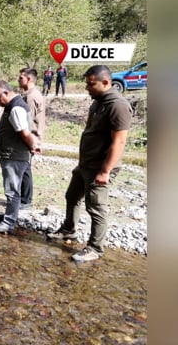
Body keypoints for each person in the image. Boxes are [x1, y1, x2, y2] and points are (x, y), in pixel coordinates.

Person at [47, 65, 132, 262]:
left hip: (100, 167)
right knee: (72, 196)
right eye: (86, 83)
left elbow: (119, 141)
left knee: (96, 207)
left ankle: (95, 247)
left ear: (106, 82)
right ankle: (69, 230)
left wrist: (105, 171)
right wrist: (82, 162)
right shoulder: (97, 102)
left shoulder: (118, 105)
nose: (86, 87)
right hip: (86, 163)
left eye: (90, 84)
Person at [0, 80, 41, 234]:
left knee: (12, 191)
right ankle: (9, 216)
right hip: (15, 154)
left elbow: (25, 133)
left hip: (14, 155)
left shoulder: (16, 108)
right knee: (13, 189)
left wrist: (33, 145)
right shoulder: (15, 105)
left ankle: (8, 223)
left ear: (6, 93)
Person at [18, 68, 46, 209]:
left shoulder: (31, 97)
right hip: (31, 136)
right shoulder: (30, 94)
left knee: (25, 168)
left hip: (30, 136)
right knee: (24, 167)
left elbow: (27, 120)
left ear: (29, 79)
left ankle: (25, 200)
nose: (18, 80)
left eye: (21, 78)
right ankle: (24, 198)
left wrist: (30, 141)